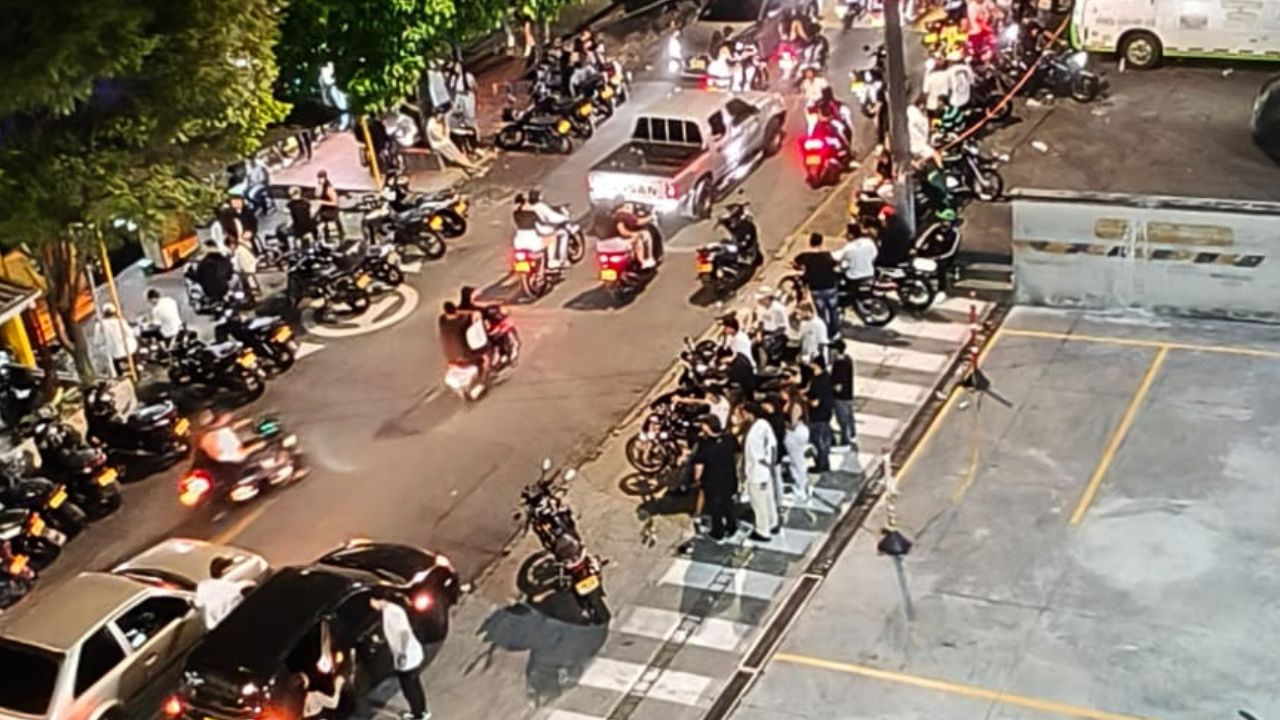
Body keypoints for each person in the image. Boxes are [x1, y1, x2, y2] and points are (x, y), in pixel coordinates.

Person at [370, 595, 431, 720]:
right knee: (412, 685)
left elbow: (404, 633)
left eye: (372, 601)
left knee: (410, 687)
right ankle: (419, 711)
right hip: (405, 655)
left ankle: (419, 714)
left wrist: (402, 653)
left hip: (407, 656)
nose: (371, 605)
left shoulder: (393, 611)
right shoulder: (388, 610)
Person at [691, 415, 739, 542]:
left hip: (713, 481)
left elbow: (699, 467)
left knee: (715, 508)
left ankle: (718, 532)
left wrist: (697, 480)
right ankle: (732, 527)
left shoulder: (705, 445)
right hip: (729, 478)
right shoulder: (729, 438)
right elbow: (737, 453)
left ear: (707, 427)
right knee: (728, 504)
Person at [740, 402, 779, 541]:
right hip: (765, 470)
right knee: (768, 499)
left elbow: (759, 452)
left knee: (759, 503)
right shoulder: (764, 424)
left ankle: (763, 531)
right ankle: (773, 522)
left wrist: (765, 462)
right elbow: (772, 445)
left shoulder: (756, 430)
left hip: (757, 471)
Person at [793, 233, 842, 341]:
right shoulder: (828, 255)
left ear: (810, 242)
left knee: (822, 312)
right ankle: (834, 332)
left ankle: (825, 332)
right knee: (833, 311)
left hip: (816, 289)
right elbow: (837, 264)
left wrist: (801, 268)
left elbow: (794, 262)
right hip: (830, 287)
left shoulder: (805, 256)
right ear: (821, 242)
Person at [194, 556, 255, 629]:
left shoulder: (203, 586)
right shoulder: (232, 588)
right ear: (225, 571)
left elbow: (198, 604)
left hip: (214, 627)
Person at [806, 357, 835, 473]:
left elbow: (815, 403)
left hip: (818, 415)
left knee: (818, 443)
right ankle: (824, 464)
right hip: (826, 413)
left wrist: (805, 400)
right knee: (823, 442)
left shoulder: (818, 382)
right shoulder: (826, 377)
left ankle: (821, 465)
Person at [529, 189, 571, 268]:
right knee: (564, 233)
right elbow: (553, 218)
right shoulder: (541, 207)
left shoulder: (530, 208)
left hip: (534, 232)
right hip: (545, 230)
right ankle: (562, 259)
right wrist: (565, 218)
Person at [782, 389, 811, 499]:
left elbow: (793, 424)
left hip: (796, 433)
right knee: (797, 460)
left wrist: (784, 425)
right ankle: (801, 485)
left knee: (797, 461)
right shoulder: (793, 403)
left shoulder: (795, 405)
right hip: (799, 431)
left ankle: (801, 488)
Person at [751, 287, 789, 367]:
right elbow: (761, 321)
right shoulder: (760, 308)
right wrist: (759, 333)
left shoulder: (778, 309)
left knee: (769, 347)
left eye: (761, 299)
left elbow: (783, 327)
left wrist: (771, 337)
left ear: (767, 298)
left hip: (778, 334)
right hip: (765, 331)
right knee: (753, 345)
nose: (759, 301)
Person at [612, 202, 657, 268]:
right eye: (627, 207)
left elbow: (637, 222)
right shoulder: (621, 216)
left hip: (621, 238)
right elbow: (622, 230)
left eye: (630, 207)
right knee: (638, 240)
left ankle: (649, 258)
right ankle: (642, 261)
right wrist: (632, 234)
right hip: (620, 239)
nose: (629, 209)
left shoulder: (627, 216)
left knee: (645, 233)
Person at [829, 338, 856, 448]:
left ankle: (845, 441)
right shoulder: (848, 359)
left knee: (842, 420)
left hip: (840, 397)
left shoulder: (839, 364)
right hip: (848, 395)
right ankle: (852, 434)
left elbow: (838, 386)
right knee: (849, 417)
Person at [98, 304, 137, 376]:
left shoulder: (100, 325)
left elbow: (98, 341)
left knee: (119, 372)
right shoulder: (120, 321)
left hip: (115, 353)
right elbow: (130, 333)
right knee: (134, 366)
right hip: (128, 350)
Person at [230, 233, 260, 303]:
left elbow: (238, 267)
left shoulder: (239, 250)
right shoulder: (242, 247)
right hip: (249, 268)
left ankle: (246, 297)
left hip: (246, 270)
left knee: (236, 279)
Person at [315, 170, 343, 240]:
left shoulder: (329, 188)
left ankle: (326, 235)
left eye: (321, 178)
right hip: (324, 208)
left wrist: (323, 202)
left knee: (319, 219)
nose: (320, 180)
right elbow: (317, 195)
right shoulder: (321, 186)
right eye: (319, 178)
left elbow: (335, 203)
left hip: (332, 210)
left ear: (325, 178)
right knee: (316, 216)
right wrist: (319, 187)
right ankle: (326, 235)